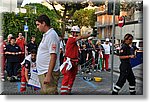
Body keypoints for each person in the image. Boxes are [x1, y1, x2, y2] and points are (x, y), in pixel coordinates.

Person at [60, 26, 96, 95]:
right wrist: (89, 34)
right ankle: (63, 93)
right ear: (72, 33)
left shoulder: (75, 41)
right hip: (69, 61)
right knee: (67, 77)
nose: (76, 34)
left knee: (72, 76)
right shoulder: (71, 39)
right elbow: (81, 37)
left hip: (74, 61)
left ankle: (68, 89)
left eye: (77, 33)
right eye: (75, 33)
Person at [36, 14, 60, 95]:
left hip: (47, 71)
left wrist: (49, 75)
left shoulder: (51, 35)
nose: (37, 27)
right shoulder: (47, 35)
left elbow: (53, 56)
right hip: (44, 71)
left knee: (50, 93)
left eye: (38, 24)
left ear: (44, 23)